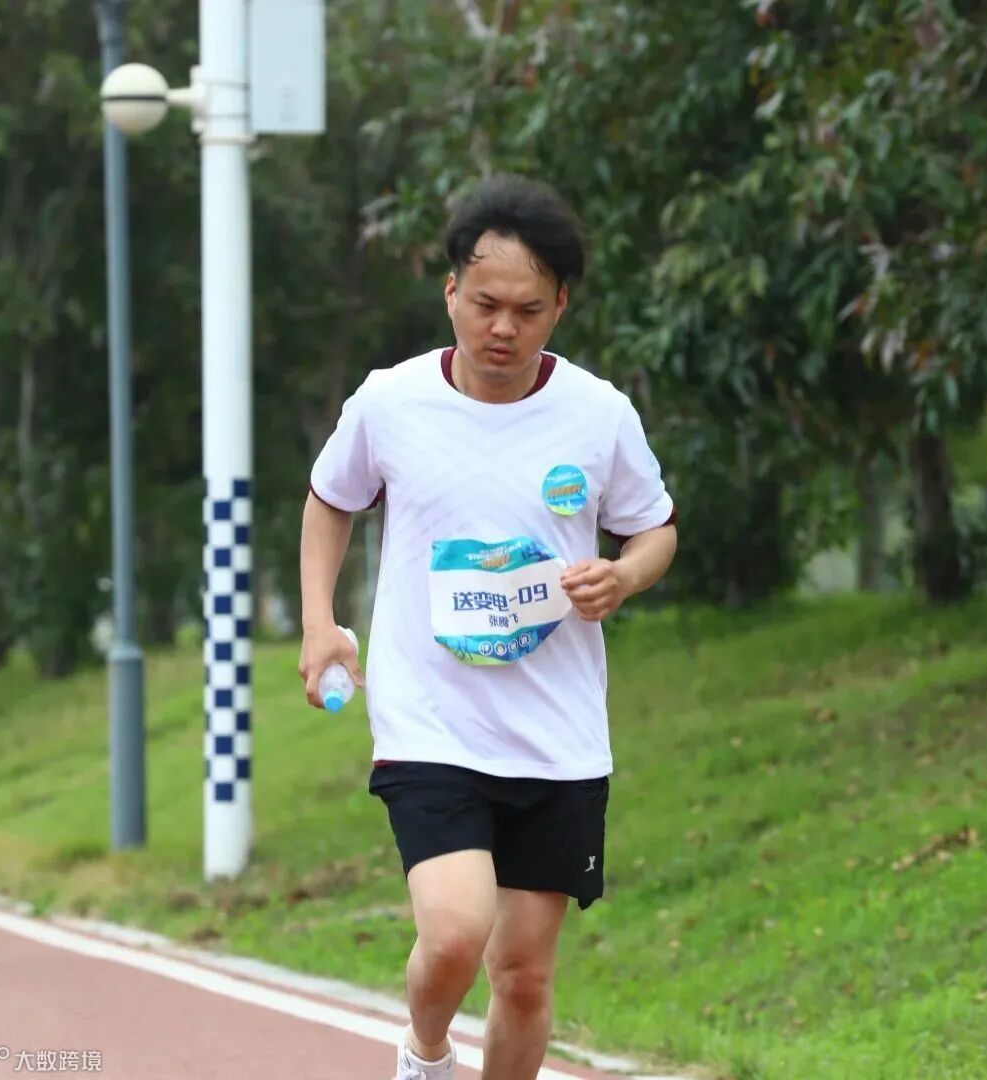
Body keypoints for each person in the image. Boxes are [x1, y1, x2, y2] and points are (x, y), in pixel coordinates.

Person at [299, 174, 677, 1080]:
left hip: (555, 734)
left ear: (560, 307)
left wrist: (623, 575)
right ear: (451, 294)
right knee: (455, 935)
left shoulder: (598, 414)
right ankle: (425, 1052)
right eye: (485, 304)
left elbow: (654, 528)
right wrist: (320, 623)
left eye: (528, 310)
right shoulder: (390, 402)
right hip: (432, 721)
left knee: (523, 975)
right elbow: (330, 500)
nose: (503, 328)